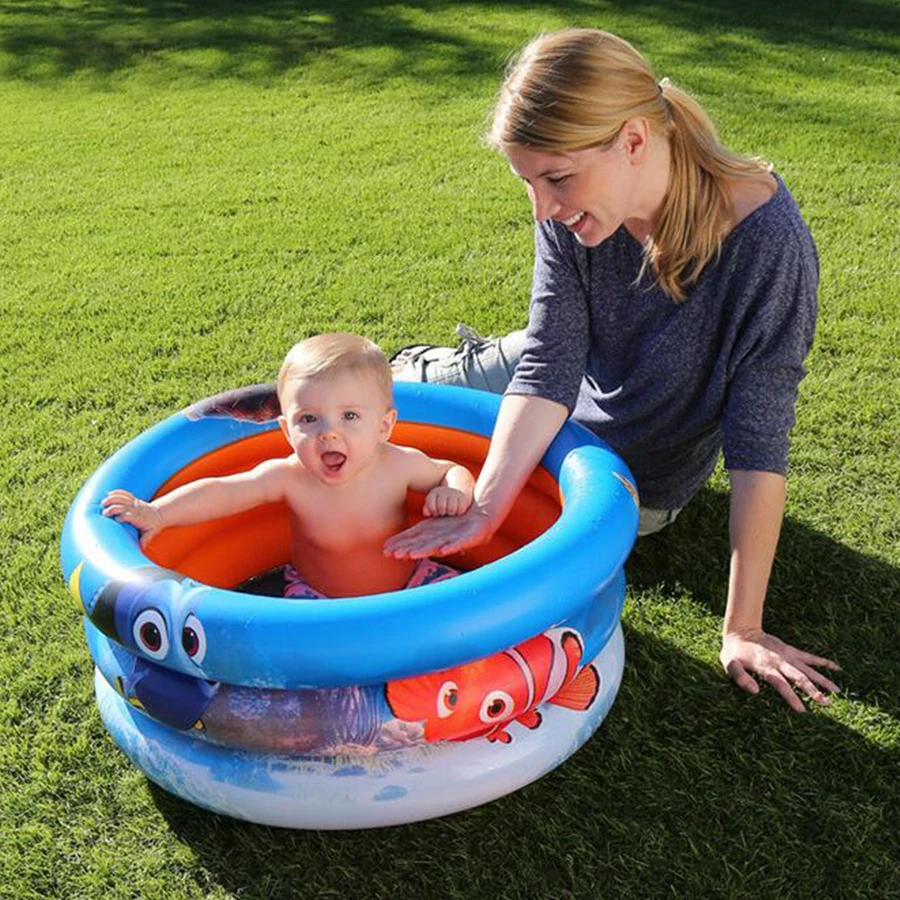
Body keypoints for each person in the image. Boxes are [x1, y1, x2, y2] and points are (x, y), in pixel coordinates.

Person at [386, 28, 841, 712]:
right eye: (530, 182)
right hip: (559, 375)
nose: (542, 207)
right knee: (372, 404)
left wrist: (742, 626)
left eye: (556, 179)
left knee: (527, 527)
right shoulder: (574, 210)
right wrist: (485, 504)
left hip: (635, 465)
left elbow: (759, 442)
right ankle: (443, 370)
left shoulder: (767, 244)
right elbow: (549, 362)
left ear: (633, 140)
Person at [102, 332, 474, 599]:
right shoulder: (289, 477)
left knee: (463, 620)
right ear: (285, 430)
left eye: (349, 416)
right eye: (309, 420)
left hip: (410, 584)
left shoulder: (398, 464)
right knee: (307, 663)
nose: (329, 434)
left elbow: (451, 469)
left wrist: (454, 490)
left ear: (384, 426)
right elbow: (224, 491)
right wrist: (157, 513)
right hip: (318, 600)